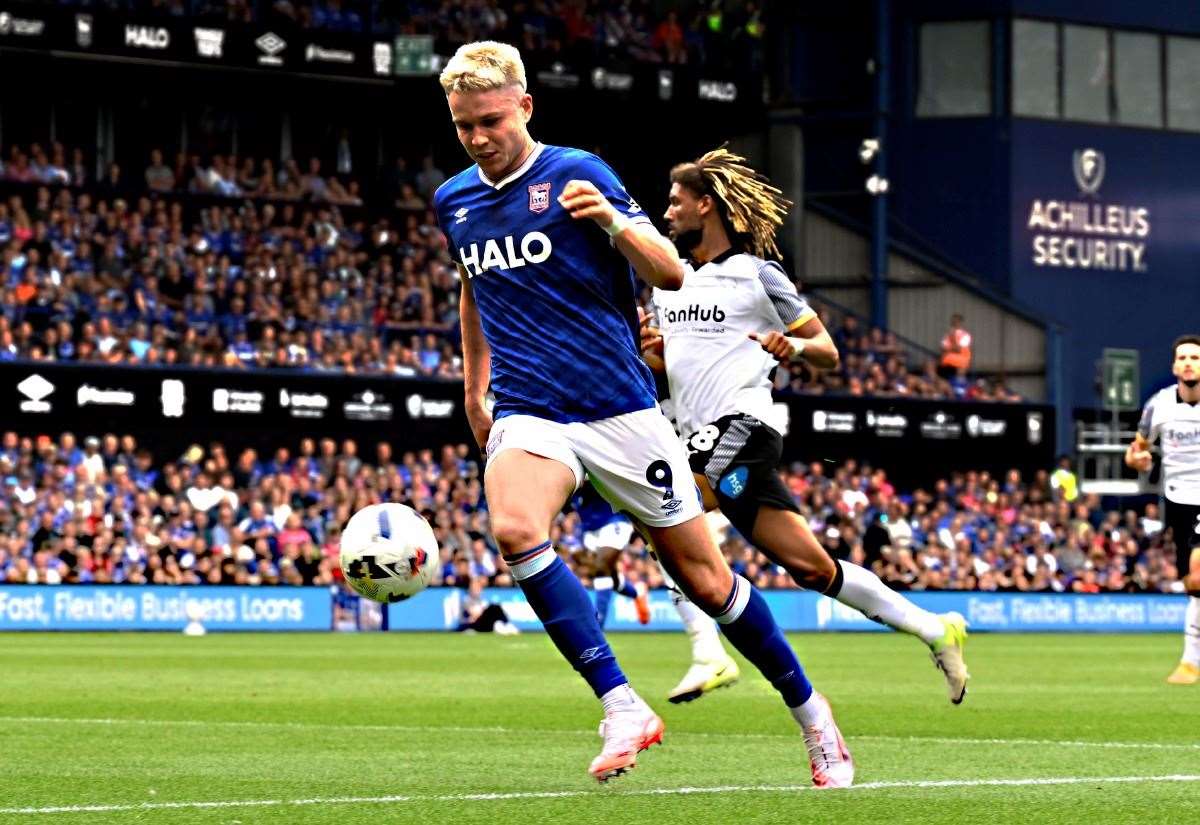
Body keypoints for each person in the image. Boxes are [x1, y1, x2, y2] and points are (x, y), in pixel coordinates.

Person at [433, 41, 852, 786]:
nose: (478, 137)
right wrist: (475, 387)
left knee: (707, 581)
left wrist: (612, 221)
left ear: (524, 106)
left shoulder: (577, 174)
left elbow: (669, 271)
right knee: (516, 529)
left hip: (620, 408)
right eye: (464, 125)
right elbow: (474, 283)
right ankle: (620, 703)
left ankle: (812, 713)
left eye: (490, 120)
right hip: (531, 408)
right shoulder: (454, 200)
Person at [641, 146, 969, 704]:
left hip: (743, 426)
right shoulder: (669, 284)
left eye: (676, 201)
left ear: (706, 205)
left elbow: (827, 350)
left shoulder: (757, 275)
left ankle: (709, 652)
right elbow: (674, 367)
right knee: (812, 569)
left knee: (662, 508)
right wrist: (647, 351)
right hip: (700, 437)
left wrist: (791, 346)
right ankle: (935, 629)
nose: (667, 212)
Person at [1126, 334, 1200, 685]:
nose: (1188, 363)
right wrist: (1137, 460)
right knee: (1192, 584)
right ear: (1173, 366)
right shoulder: (1159, 405)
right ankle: (1192, 661)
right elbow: (1137, 448)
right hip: (1177, 500)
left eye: (1195, 357)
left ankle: (1189, 661)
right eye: (1182, 358)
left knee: (1198, 571)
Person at [569, 484, 652, 628]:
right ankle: (637, 592)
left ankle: (597, 627)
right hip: (589, 527)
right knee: (604, 572)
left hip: (613, 519)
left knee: (601, 568)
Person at [938, 313, 972, 379]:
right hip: (947, 361)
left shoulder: (965, 335)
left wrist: (952, 338)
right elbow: (942, 348)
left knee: (959, 370)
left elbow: (958, 349)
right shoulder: (947, 335)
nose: (953, 323)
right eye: (952, 322)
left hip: (959, 362)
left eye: (955, 321)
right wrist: (950, 348)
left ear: (960, 323)